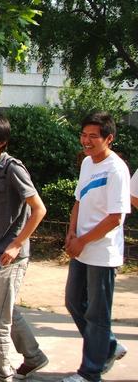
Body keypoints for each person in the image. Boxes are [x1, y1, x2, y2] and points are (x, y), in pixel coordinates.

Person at [0, 111, 48, 382]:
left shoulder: (13, 168)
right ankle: (34, 356)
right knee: (8, 311)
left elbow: (38, 209)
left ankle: (2, 374)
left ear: (1, 142)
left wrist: (16, 244)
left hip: (9, 259)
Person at [62, 112, 130, 382]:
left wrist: (82, 240)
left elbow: (116, 217)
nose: (86, 141)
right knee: (73, 302)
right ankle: (109, 346)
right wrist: (71, 233)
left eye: (93, 136)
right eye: (84, 135)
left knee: (97, 313)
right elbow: (79, 200)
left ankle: (90, 373)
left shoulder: (116, 169)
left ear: (109, 138)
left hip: (102, 253)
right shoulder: (88, 163)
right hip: (81, 248)